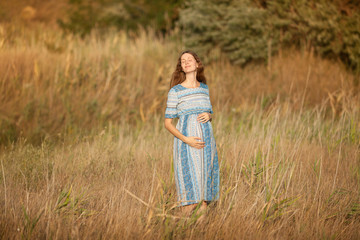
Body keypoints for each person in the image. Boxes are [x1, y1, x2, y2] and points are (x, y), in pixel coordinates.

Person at [164, 50, 220, 216]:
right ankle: (181, 226)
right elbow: (168, 123)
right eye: (183, 61)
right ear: (181, 67)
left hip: (206, 144)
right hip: (187, 143)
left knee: (203, 196)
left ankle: (199, 230)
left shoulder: (204, 89)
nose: (186, 62)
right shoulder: (175, 91)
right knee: (190, 197)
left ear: (197, 64)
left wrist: (209, 115)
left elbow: (209, 112)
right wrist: (187, 140)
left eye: (190, 59)